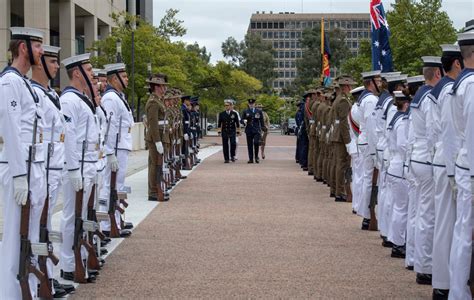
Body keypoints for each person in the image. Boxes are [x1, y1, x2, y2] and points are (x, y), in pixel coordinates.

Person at [0, 26, 46, 299]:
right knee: (15, 241)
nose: (41, 51)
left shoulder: (23, 82)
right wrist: (19, 174)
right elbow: (12, 130)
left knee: (27, 240)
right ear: (23, 48)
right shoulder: (9, 82)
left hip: (31, 167)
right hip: (19, 168)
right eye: (38, 46)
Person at [31, 44, 74, 297]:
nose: (58, 67)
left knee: (46, 226)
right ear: (40, 63)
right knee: (37, 229)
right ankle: (38, 280)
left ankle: (46, 276)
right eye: (53, 61)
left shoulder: (52, 95)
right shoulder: (34, 94)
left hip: (54, 169)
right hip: (41, 169)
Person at [59, 53, 99, 282]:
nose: (93, 73)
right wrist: (73, 169)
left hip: (88, 164)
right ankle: (67, 264)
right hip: (78, 167)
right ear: (77, 73)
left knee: (81, 216)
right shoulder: (69, 100)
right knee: (71, 216)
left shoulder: (81, 99)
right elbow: (70, 137)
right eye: (89, 69)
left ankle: (80, 258)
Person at [429, 44, 463, 298]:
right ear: (457, 64)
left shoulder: (441, 90)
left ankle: (443, 281)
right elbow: (448, 134)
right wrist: (452, 173)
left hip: (443, 161)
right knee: (449, 226)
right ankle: (445, 283)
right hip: (450, 163)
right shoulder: (450, 89)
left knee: (446, 225)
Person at [444, 31, 474, 300]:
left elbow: (452, 135)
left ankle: (457, 291)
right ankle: (460, 293)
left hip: (464, 166)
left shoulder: (458, 85)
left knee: (462, 231)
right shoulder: (471, 85)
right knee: (465, 235)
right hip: (472, 169)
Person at [408, 56, 442, 285]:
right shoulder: (430, 96)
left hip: (416, 157)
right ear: (437, 74)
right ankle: (426, 266)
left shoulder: (419, 95)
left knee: (419, 211)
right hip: (427, 159)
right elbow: (434, 130)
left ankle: (416, 259)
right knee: (428, 215)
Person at [99, 63, 134, 236]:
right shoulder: (111, 98)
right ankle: (107, 226)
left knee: (118, 185)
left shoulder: (119, 96)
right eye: (124, 76)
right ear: (114, 78)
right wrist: (110, 152)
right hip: (116, 147)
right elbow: (110, 127)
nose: (127, 79)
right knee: (109, 186)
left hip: (121, 146)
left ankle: (117, 221)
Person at [386, 90, 411, 259]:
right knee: (402, 208)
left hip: (395, 165)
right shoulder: (401, 121)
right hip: (400, 166)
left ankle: (397, 241)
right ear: (406, 104)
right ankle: (398, 243)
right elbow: (403, 144)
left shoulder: (395, 119)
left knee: (398, 207)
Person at [357, 71, 381, 230]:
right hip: (369, 142)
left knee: (367, 178)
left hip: (364, 140)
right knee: (369, 180)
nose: (380, 83)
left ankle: (366, 214)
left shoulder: (365, 98)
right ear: (371, 82)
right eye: (378, 80)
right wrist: (375, 151)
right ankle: (368, 215)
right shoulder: (371, 99)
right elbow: (372, 127)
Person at [330, 75, 356, 202]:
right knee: (342, 164)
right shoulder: (343, 101)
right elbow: (344, 122)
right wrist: (348, 141)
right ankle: (339, 191)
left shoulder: (339, 99)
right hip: (341, 136)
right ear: (345, 87)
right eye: (350, 86)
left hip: (337, 134)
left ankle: (336, 190)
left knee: (339, 163)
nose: (351, 88)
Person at [145, 74, 168, 202]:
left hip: (160, 135)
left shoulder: (158, 100)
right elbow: (153, 123)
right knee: (154, 164)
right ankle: (153, 191)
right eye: (162, 86)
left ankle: (156, 189)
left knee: (157, 164)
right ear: (156, 87)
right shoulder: (153, 102)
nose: (164, 88)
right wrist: (158, 141)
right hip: (155, 137)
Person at [241, 99, 265, 163]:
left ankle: (256, 156)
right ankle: (251, 159)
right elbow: (241, 120)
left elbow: (261, 120)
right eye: (250, 104)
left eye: (252, 104)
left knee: (256, 142)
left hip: (256, 130)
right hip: (248, 129)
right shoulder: (245, 111)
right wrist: (243, 121)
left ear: (254, 104)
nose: (251, 105)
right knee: (249, 145)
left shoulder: (258, 111)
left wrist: (263, 128)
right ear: (248, 104)